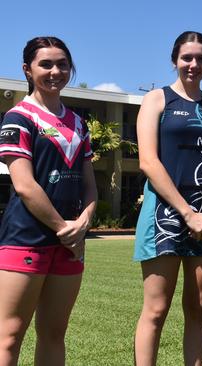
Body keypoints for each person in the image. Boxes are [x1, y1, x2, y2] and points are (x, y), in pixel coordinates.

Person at [133, 31, 202, 365]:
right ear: (175, 59)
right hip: (164, 214)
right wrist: (187, 212)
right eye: (186, 58)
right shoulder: (157, 100)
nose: (193, 65)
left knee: (197, 308)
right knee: (156, 309)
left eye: (200, 58)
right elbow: (148, 161)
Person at [0, 36, 97, 366]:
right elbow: (25, 185)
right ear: (27, 70)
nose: (56, 71)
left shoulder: (79, 124)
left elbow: (90, 185)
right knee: (10, 335)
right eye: (46, 64)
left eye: (63, 64)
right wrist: (64, 228)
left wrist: (83, 222)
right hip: (26, 239)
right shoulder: (18, 117)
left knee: (55, 333)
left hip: (70, 244)